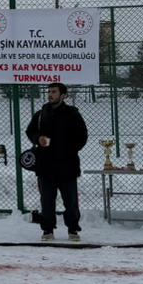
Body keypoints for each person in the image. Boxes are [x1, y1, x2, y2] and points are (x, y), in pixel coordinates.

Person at [26, 81, 88, 241]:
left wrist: (68, 149)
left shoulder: (73, 114)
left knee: (71, 201)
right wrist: (38, 138)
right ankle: (47, 230)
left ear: (63, 95)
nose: (50, 95)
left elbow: (82, 136)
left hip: (67, 165)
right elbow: (30, 130)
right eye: (49, 92)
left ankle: (73, 229)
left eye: (54, 92)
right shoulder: (41, 114)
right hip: (45, 166)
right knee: (47, 201)